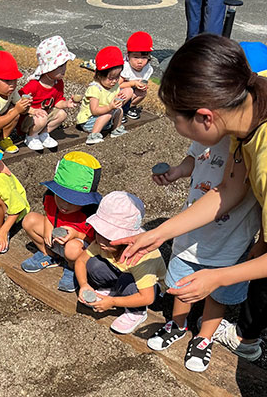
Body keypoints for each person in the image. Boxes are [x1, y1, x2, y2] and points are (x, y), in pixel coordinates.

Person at [113, 34, 267, 362]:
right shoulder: (246, 104)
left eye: (174, 120)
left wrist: (219, 277)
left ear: (205, 117)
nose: (174, 127)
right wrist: (158, 233)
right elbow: (229, 189)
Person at [147, 140, 259, 372]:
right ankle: (177, 324)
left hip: (232, 240)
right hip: (191, 234)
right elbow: (195, 158)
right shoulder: (205, 136)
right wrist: (178, 171)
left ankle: (204, 337)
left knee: (219, 296)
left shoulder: (249, 144)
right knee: (182, 286)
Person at [75, 191, 166, 334]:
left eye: (109, 236)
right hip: (121, 272)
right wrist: (84, 284)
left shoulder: (141, 256)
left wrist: (112, 302)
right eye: (99, 233)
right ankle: (114, 290)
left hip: (149, 288)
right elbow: (81, 261)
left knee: (127, 281)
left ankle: (137, 312)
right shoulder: (102, 242)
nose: (101, 241)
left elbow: (147, 297)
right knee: (94, 264)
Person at [21, 152, 100, 293]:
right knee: (29, 219)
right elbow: (48, 215)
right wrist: (48, 226)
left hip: (78, 248)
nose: (64, 205)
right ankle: (49, 255)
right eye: (61, 197)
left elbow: (95, 242)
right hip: (55, 240)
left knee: (73, 248)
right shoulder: (50, 197)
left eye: (72, 201)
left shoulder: (91, 214)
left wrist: (76, 234)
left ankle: (72, 267)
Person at [18, 36, 78, 151]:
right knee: (41, 118)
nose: (64, 69)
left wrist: (66, 104)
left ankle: (43, 134)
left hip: (43, 117)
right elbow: (20, 102)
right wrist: (33, 110)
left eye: (64, 65)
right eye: (59, 66)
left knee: (62, 114)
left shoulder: (58, 83)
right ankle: (30, 137)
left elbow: (57, 101)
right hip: (29, 119)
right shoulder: (33, 85)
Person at [76, 46, 128, 145]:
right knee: (108, 113)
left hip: (103, 117)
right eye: (111, 78)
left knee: (119, 110)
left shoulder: (115, 85)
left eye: (117, 77)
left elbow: (113, 99)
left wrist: (118, 99)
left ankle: (116, 130)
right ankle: (93, 135)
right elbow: (94, 111)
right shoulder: (95, 89)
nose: (114, 81)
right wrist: (110, 107)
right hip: (89, 121)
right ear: (99, 75)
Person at [120, 32, 153, 122]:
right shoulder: (125, 67)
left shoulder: (147, 68)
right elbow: (116, 86)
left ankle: (129, 108)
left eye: (144, 58)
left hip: (130, 92)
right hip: (117, 93)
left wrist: (142, 86)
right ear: (128, 56)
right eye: (135, 57)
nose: (139, 61)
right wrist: (133, 83)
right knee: (128, 91)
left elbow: (143, 80)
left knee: (142, 92)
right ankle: (118, 110)